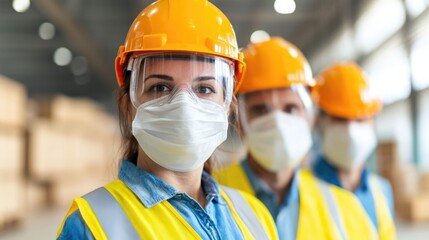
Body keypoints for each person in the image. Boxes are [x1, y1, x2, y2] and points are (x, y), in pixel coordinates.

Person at [56, 0, 278, 239]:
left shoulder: (255, 216)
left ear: (227, 108)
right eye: (160, 87)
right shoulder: (89, 226)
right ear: (127, 106)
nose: (184, 106)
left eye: (204, 89)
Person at [215, 37, 385, 240]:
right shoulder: (206, 194)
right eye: (261, 110)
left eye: (290, 108)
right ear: (240, 122)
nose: (278, 122)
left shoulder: (346, 209)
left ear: (310, 118)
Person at [311, 62, 396, 239]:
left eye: (359, 120)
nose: (350, 131)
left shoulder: (382, 190)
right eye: (340, 119)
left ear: (372, 122)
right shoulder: (298, 189)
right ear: (319, 122)